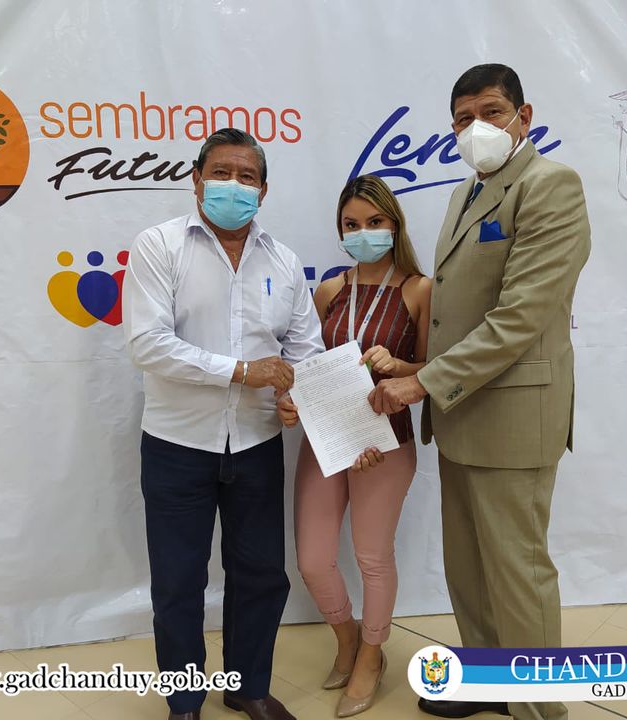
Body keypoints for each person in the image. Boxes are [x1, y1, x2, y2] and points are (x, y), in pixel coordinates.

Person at [369, 64, 591, 720]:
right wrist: (415, 366)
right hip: (461, 411)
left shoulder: (550, 186)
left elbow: (519, 317)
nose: (477, 128)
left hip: (514, 415)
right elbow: (455, 312)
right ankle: (491, 680)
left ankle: (539, 708)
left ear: (525, 116)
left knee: (518, 570)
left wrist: (423, 380)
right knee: (468, 567)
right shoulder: (466, 193)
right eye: (463, 119)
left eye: (491, 112)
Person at [122, 128, 324, 720]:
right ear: (196, 180)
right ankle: (184, 701)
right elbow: (148, 344)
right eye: (221, 173)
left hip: (257, 443)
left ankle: (247, 686)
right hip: (176, 443)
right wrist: (240, 371)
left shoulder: (283, 261)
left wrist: (296, 395)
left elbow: (304, 350)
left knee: (261, 574)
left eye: (247, 176)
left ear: (264, 189)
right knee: (178, 582)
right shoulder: (159, 245)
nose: (233, 185)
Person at [277, 175, 432, 717]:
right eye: (351, 224)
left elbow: (434, 369)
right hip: (327, 440)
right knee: (313, 559)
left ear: (394, 224)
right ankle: (346, 637)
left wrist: (399, 364)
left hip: (386, 441)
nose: (363, 232)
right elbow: (306, 368)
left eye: (374, 222)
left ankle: (371, 654)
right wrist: (291, 401)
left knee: (372, 556)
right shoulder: (328, 291)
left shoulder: (419, 289)